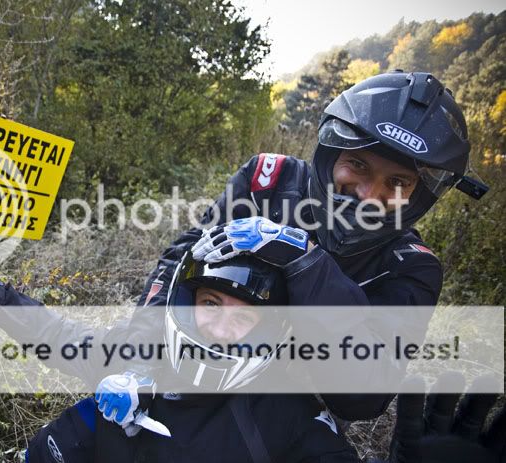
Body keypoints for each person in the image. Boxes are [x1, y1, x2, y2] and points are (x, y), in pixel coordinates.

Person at [97, 70, 490, 424]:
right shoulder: (269, 180)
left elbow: (362, 399)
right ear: (333, 152)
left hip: (283, 413)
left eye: (398, 183)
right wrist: (139, 359)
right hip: (195, 362)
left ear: (420, 194)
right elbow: (182, 260)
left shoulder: (410, 267)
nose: (371, 194)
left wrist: (303, 258)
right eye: (359, 166)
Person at [0, 240, 506, 463]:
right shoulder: (144, 353)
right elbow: (61, 338)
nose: (223, 326)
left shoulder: (294, 418)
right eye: (210, 301)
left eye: (246, 314)